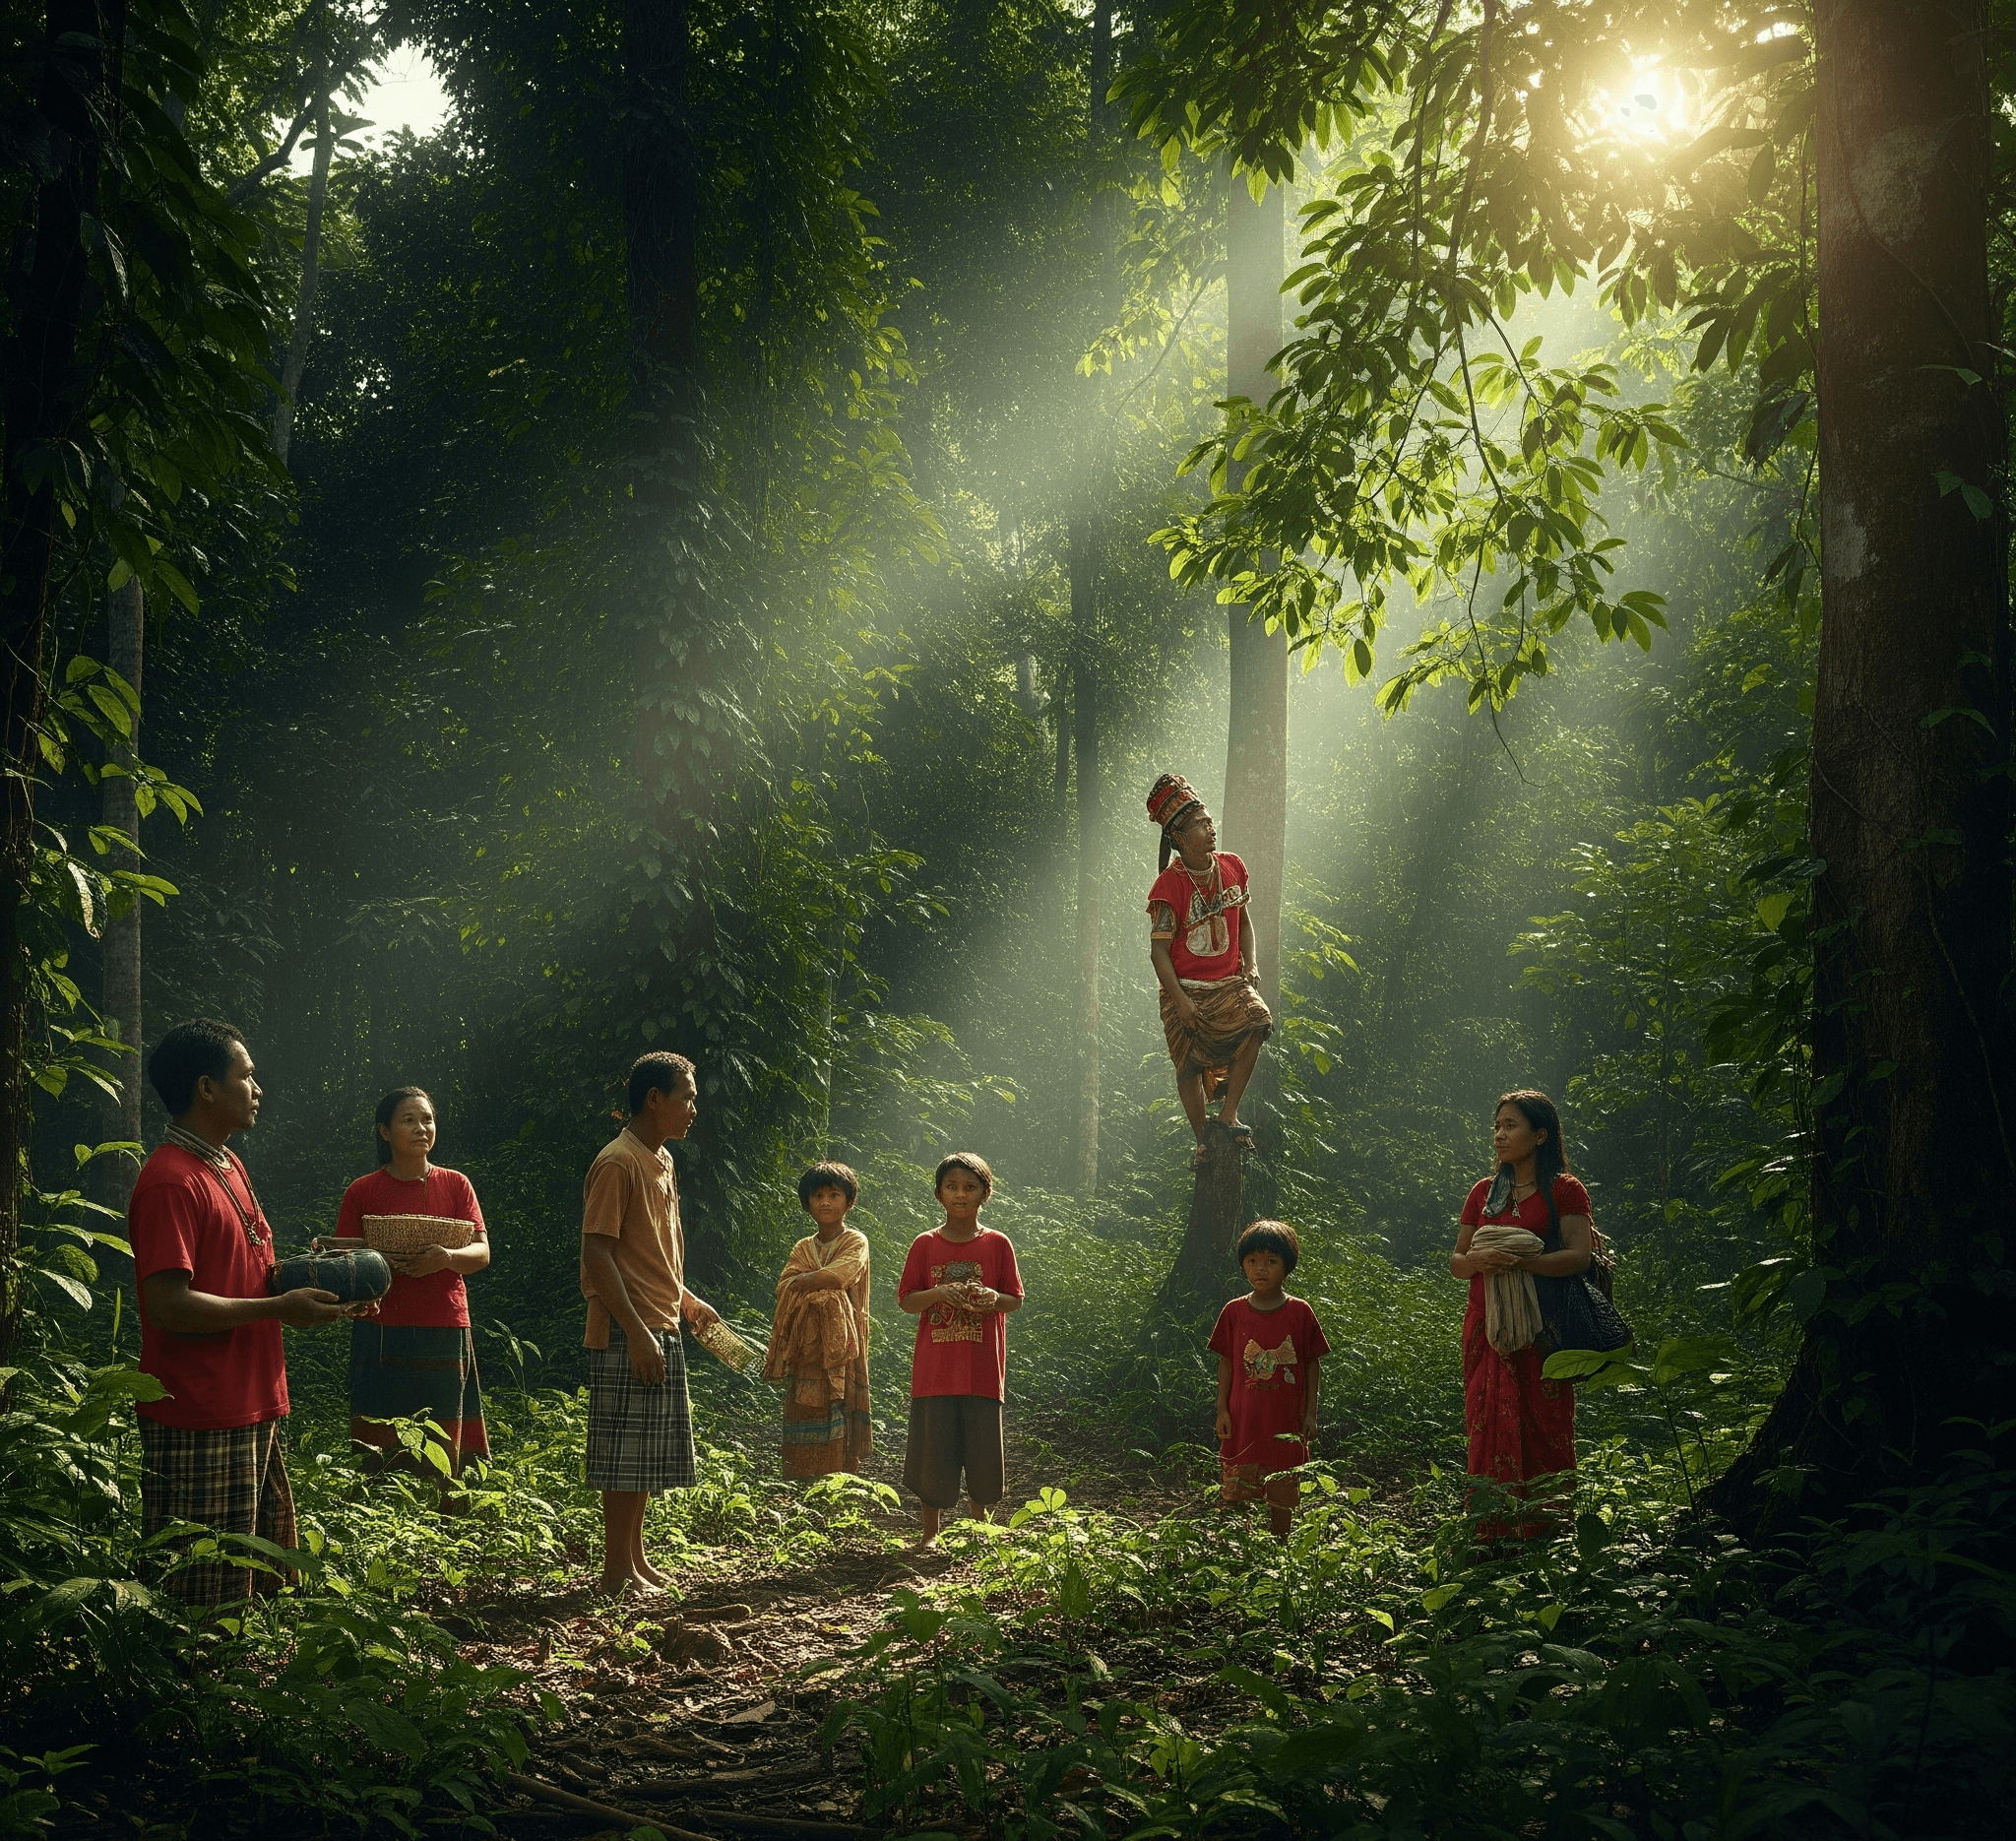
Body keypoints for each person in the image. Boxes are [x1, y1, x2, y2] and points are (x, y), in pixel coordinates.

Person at [128, 1018, 365, 1603]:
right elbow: (168, 1306)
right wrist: (278, 1306)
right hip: (200, 1408)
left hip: (252, 1397)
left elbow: (252, 1272)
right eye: (247, 1075)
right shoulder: (170, 1180)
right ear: (207, 1088)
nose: (258, 1089)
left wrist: (329, 1281)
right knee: (200, 1594)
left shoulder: (227, 1164)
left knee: (258, 1585)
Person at [580, 1050, 723, 1595]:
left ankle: (634, 1559)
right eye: (687, 1098)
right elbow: (598, 1253)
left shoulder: (661, 1160)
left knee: (641, 1455)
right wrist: (638, 1333)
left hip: (659, 1323)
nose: (693, 1109)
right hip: (628, 1329)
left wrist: (686, 1300)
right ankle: (616, 1570)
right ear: (655, 1099)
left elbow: (649, 1252)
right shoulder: (618, 1162)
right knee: (622, 1453)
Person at [1449, 1090, 1596, 1538]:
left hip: (1540, 1329)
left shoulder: (1564, 1190)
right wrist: (1478, 1261)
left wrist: (1520, 1262)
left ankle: (1544, 1531)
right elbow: (1457, 1261)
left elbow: (1580, 1256)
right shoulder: (1483, 1193)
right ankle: (1491, 1530)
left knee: (1543, 1424)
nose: (1499, 1135)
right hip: (1486, 1326)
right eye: (1497, 1126)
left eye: (1510, 1126)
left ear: (1540, 1135)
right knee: (1486, 1423)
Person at [332, 1087, 490, 1478]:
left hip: (443, 1323)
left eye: (427, 1120)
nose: (422, 1128)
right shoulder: (363, 1190)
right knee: (379, 1441)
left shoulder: (456, 1185)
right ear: (385, 1131)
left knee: (442, 1438)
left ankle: (446, 1507)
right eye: (409, 1120)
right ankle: (380, 1505)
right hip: (380, 1326)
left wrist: (445, 1258)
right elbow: (343, 1260)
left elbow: (482, 1252)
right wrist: (379, 1262)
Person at [1144, 773, 1273, 1167]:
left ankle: (1228, 1114)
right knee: (1188, 1063)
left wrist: (1251, 963)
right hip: (1184, 989)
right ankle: (1203, 1139)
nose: (1210, 829)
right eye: (1200, 825)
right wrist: (1181, 1001)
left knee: (1259, 1021)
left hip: (1229, 983)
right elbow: (1158, 952)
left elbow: (1245, 923)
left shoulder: (1232, 867)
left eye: (1210, 821)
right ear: (1179, 838)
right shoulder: (1169, 886)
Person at [897, 1153, 1023, 1547]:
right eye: (951, 1186)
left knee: (982, 1453)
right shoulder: (925, 1244)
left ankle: (978, 1529)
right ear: (938, 1194)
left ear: (986, 1193)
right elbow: (907, 1300)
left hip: (983, 1371)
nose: (960, 1194)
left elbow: (1014, 1299)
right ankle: (930, 1533)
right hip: (934, 1372)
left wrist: (991, 1298)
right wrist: (938, 1293)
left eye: (970, 1187)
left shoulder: (997, 1244)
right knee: (933, 1453)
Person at [1210, 1221, 1330, 1540]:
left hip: (1285, 1424)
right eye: (1252, 1261)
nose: (1260, 1269)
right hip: (1243, 1422)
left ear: (1287, 1266)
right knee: (1236, 1490)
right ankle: (1238, 1546)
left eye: (1271, 1261)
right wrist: (1222, 1410)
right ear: (1243, 1265)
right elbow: (1226, 1362)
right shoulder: (1234, 1312)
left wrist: (1311, 1414)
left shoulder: (1300, 1313)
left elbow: (1312, 1363)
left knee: (1282, 1492)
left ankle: (1281, 1547)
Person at [764, 1161, 872, 1479]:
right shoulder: (803, 1247)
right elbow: (785, 1285)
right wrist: (810, 1285)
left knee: (841, 1408)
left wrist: (807, 1283)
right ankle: (801, 1477)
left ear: (848, 1201)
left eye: (834, 1195)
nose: (825, 1202)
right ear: (807, 1203)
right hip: (806, 1347)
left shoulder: (855, 1241)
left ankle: (837, 1479)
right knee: (804, 1406)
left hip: (845, 1346)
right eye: (818, 1196)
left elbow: (840, 1275)